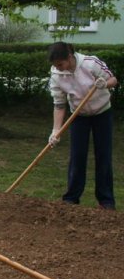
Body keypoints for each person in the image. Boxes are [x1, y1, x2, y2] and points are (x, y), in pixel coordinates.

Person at [47, 41, 117, 210]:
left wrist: (104, 84)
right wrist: (56, 130)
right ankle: (71, 198)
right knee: (77, 157)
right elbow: (59, 103)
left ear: (69, 57)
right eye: (56, 65)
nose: (59, 68)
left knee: (103, 156)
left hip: (102, 113)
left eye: (60, 64)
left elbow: (113, 79)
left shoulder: (90, 63)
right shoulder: (56, 74)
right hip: (79, 116)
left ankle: (106, 201)